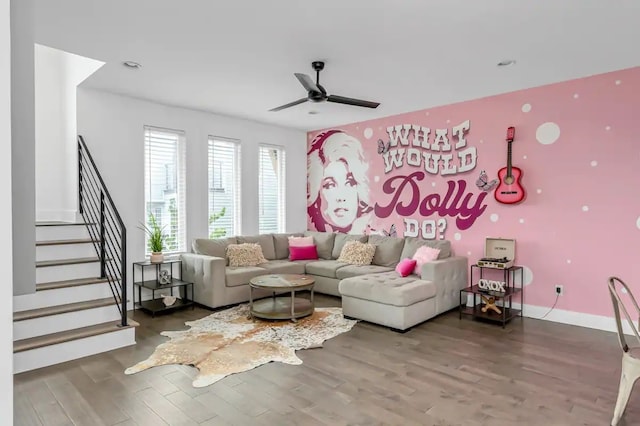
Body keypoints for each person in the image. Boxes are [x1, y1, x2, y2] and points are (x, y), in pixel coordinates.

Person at [307, 129, 372, 234]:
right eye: (330, 185)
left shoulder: (371, 234)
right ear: (317, 193)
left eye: (350, 183)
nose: (341, 197)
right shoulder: (316, 236)